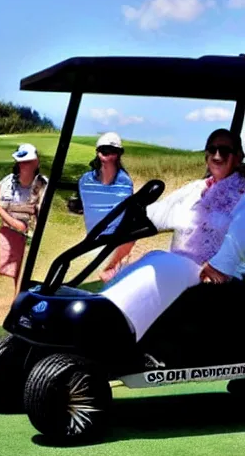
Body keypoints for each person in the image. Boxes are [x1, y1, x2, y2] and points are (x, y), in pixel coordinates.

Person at [98, 128, 245, 343]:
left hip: (219, 277)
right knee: (154, 260)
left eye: (224, 150)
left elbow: (239, 232)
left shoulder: (242, 193)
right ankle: (104, 316)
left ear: (239, 157)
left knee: (166, 264)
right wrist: (131, 220)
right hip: (182, 266)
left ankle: (114, 333)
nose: (217, 156)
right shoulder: (195, 189)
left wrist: (219, 265)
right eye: (212, 149)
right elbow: (160, 212)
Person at [0, 143, 47, 293]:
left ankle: (18, 305)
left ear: (36, 163)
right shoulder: (7, 182)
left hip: (31, 237)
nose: (23, 165)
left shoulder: (43, 185)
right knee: (11, 276)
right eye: (21, 161)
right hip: (9, 234)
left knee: (24, 278)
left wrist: (0, 210)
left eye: (28, 162)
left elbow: (27, 224)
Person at [78, 132, 133, 234]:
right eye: (104, 151)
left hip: (109, 240)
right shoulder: (86, 180)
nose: (107, 155)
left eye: (111, 151)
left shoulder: (124, 182)